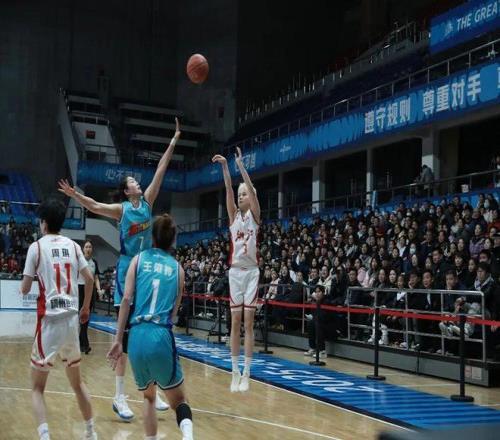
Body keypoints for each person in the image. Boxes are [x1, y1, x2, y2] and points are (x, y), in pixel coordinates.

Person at [58, 118, 181, 419]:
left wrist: (174, 140)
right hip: (128, 269)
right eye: (132, 183)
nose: (138, 182)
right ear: (127, 191)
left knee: (147, 331)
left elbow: (161, 169)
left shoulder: (148, 203)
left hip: (148, 267)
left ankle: (151, 388)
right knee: (125, 338)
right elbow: (94, 206)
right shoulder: (122, 210)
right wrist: (75, 195)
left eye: (137, 181)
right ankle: (119, 396)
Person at [107, 214, 193, 440]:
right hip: (160, 333)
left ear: (151, 237)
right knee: (180, 401)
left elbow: (126, 300)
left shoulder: (138, 260)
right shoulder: (178, 269)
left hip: (136, 336)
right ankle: (188, 436)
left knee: (149, 397)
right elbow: (173, 313)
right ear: (173, 240)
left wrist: (118, 340)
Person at [20, 198, 98, 440]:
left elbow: (24, 288)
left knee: (37, 388)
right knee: (77, 383)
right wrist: (85, 308)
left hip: (49, 322)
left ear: (43, 223)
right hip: (72, 322)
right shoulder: (74, 246)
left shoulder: (36, 247)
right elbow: (89, 278)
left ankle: (45, 436)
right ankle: (91, 432)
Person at [212, 146, 261, 392]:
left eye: (244, 194)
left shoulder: (255, 216)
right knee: (235, 322)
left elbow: (250, 188)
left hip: (251, 272)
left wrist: (240, 165)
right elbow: (228, 191)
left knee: (249, 323)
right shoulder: (233, 217)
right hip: (235, 273)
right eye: (240, 194)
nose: (241, 197)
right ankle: (234, 372)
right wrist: (225, 167)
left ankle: (247, 373)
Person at [77, 239, 103, 354]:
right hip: (80, 289)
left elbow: (96, 278)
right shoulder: (79, 261)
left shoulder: (94, 262)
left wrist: (99, 289)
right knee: (81, 317)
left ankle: (81, 343)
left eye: (90, 247)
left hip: (90, 291)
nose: (88, 249)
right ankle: (85, 345)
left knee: (86, 318)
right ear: (83, 249)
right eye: (86, 247)